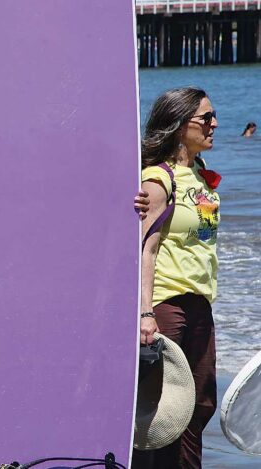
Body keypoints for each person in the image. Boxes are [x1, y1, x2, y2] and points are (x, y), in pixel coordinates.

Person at [0, 85, 151, 468]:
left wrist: (127, 200)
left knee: (22, 441)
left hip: (14, 324)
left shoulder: (13, 182)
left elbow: (76, 205)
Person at [134, 87, 220, 469]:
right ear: (179, 123)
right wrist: (145, 313)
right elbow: (144, 250)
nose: (214, 124)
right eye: (205, 118)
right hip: (167, 305)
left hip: (200, 303)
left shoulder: (200, 177)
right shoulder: (158, 177)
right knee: (167, 409)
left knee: (201, 405)